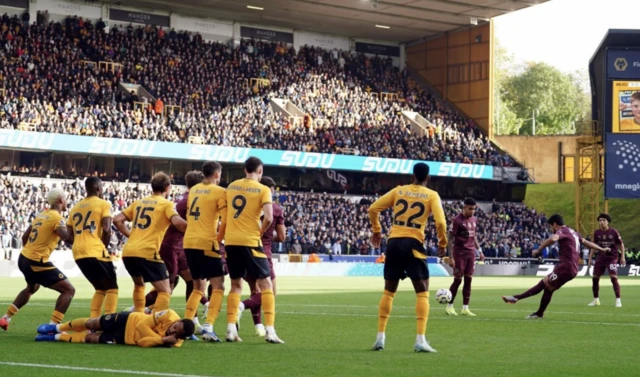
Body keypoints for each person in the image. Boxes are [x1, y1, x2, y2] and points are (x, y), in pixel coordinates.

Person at [368, 162, 447, 353]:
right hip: (413, 243)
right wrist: (443, 244)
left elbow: (373, 209)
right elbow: (440, 222)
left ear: (413, 176)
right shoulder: (432, 195)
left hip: (394, 242)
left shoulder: (399, 191)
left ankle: (380, 338)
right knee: (422, 292)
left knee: (389, 291)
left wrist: (377, 231)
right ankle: (420, 340)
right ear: (428, 179)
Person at [220, 157, 284, 344]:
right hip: (250, 241)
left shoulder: (231, 186)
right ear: (260, 171)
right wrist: (260, 232)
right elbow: (269, 217)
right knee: (266, 286)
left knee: (236, 285)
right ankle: (270, 331)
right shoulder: (263, 189)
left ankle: (231, 329)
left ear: (244, 169)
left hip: (231, 241)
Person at [502, 214, 610, 318]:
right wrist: (602, 249)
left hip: (566, 267)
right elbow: (586, 242)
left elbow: (553, 239)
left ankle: (517, 298)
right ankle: (537, 312)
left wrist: (538, 249)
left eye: (550, 227)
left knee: (544, 284)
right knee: (547, 287)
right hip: (571, 268)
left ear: (554, 224)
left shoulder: (562, 230)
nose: (551, 229)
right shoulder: (573, 232)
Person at [142, 171, 209, 331]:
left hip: (180, 246)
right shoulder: (188, 200)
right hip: (171, 245)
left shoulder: (186, 199)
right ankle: (137, 309)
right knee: (168, 287)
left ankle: (193, 320)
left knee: (191, 281)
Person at [113, 172, 187, 314]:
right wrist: (196, 229)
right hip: (147, 252)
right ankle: (153, 323)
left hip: (129, 252)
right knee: (165, 291)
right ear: (167, 188)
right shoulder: (166, 204)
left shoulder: (139, 202)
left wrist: (131, 235)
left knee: (139, 285)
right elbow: (179, 223)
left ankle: (137, 318)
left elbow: (117, 220)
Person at [0, 188, 74, 331]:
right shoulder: (57, 218)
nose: (66, 201)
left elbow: (24, 237)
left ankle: (5, 317)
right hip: (36, 261)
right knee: (68, 290)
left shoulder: (41, 215)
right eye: (65, 199)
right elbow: (67, 238)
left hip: (24, 258)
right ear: (60, 200)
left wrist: (29, 252)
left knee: (32, 287)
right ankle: (53, 327)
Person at [183, 161, 227, 342]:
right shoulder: (220, 192)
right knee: (218, 286)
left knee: (198, 287)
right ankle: (208, 326)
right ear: (217, 175)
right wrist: (218, 240)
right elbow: (224, 221)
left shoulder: (194, 190)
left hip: (189, 241)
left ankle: (185, 326)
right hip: (207, 242)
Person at [237, 176, 286, 337]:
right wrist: (267, 235)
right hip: (262, 251)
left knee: (255, 291)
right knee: (269, 293)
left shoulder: (249, 205)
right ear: (269, 190)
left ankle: (259, 327)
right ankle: (241, 306)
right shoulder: (275, 208)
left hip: (243, 248)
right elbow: (282, 236)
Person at [66, 177, 118, 318]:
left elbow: (67, 236)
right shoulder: (103, 204)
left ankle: (93, 322)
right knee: (112, 287)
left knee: (100, 288)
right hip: (95, 250)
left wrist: (81, 241)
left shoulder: (76, 207)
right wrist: (103, 248)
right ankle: (109, 320)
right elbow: (107, 230)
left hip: (78, 252)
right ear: (98, 188)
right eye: (101, 187)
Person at [35, 309, 194, 348]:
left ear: (181, 337)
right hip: (128, 320)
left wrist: (161, 340)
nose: (172, 330)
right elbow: (141, 325)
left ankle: (54, 337)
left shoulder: (174, 342)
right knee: (92, 323)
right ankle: (56, 327)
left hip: (125, 339)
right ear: (177, 321)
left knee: (91, 338)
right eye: (174, 327)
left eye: (176, 333)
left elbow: (142, 343)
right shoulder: (169, 314)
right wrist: (158, 339)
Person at [445, 197, 484, 317]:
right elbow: (450, 239)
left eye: (474, 209)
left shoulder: (474, 219)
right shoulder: (457, 220)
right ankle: (449, 306)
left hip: (471, 253)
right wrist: (451, 257)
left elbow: (474, 236)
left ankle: (465, 308)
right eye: (470, 208)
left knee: (468, 279)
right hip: (459, 253)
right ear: (464, 207)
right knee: (457, 279)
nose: (472, 211)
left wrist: (480, 251)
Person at [587, 213, 626, 308]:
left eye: (604, 220)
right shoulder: (597, 233)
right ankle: (596, 300)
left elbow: (621, 244)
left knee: (613, 278)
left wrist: (622, 257)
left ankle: (618, 300)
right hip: (600, 258)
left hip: (612, 258)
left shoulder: (614, 232)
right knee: (595, 278)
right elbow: (593, 246)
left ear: (608, 222)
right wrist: (590, 258)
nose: (601, 222)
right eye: (600, 220)